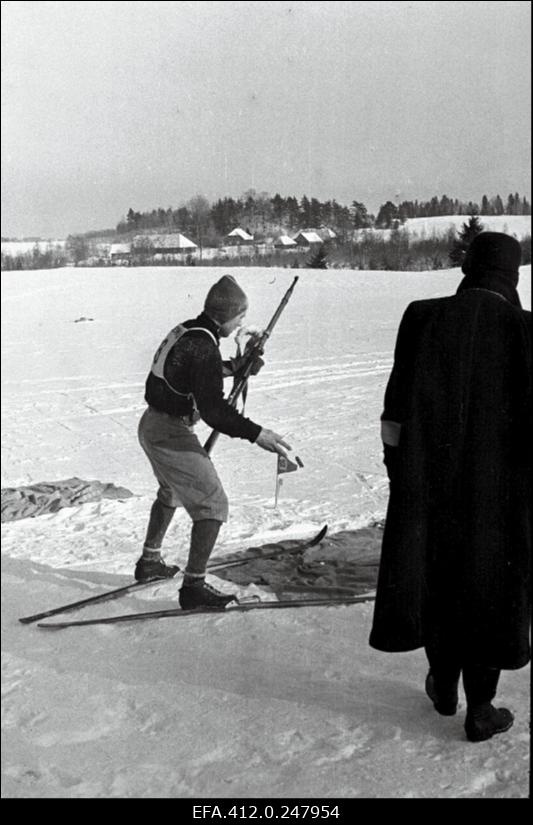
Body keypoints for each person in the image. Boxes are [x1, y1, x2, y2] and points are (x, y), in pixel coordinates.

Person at [369, 232, 531, 742]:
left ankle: (443, 684)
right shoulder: (527, 330)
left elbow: (394, 410)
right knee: (491, 589)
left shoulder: (422, 317)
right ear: (514, 274)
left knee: (438, 579)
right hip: (502, 498)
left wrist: (399, 471)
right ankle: (481, 708)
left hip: (427, 486)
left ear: (468, 267)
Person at [136, 274, 291, 610]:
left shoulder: (191, 330)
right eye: (239, 317)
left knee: (171, 490)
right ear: (224, 315)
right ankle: (194, 588)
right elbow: (214, 411)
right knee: (212, 505)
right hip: (169, 433)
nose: (240, 325)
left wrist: (236, 367)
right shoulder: (203, 344)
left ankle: (149, 562)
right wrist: (258, 434)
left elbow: (192, 368)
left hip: (152, 424)